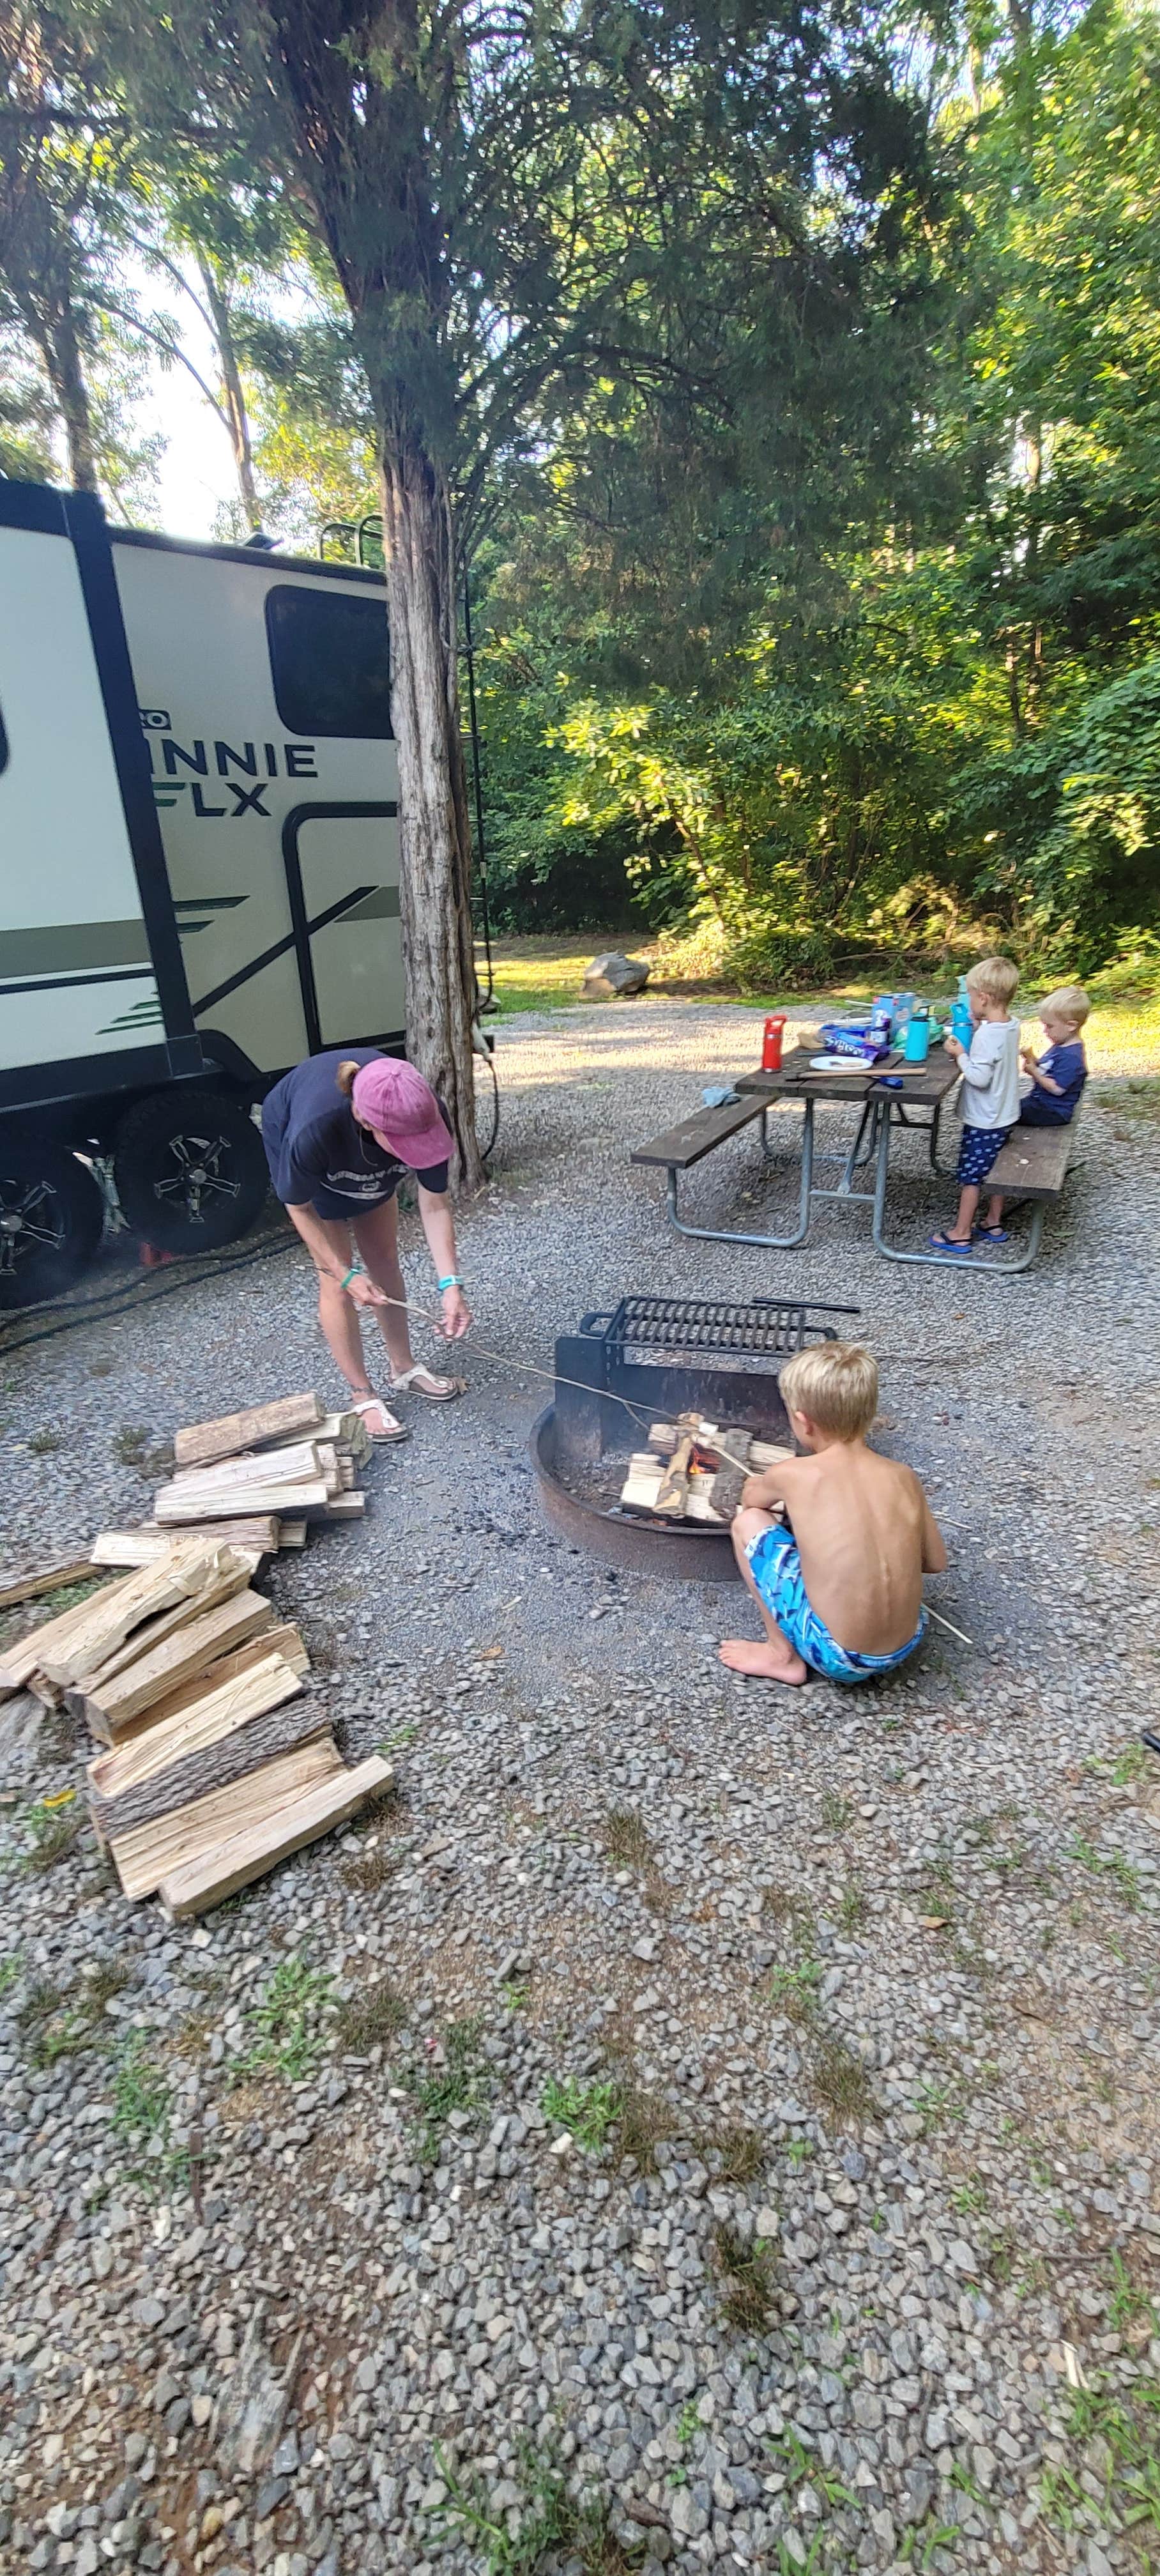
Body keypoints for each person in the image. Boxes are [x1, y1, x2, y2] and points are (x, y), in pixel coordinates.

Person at [261, 1049, 472, 1442]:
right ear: (364, 1119)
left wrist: (451, 1285)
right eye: (407, 1146)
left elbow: (435, 1203)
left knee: (384, 1257)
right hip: (315, 1157)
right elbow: (299, 1208)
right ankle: (362, 1393)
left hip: (362, 1149)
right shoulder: (314, 1129)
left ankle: (403, 1368)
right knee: (337, 1278)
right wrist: (345, 1274)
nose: (417, 1155)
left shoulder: (422, 1111)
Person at [719, 1342, 946, 1687]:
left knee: (747, 1524)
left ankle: (782, 1656)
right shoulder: (904, 1477)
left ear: (803, 1423)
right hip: (905, 1644)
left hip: (838, 1657)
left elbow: (753, 1499)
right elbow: (934, 1563)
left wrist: (771, 1488)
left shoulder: (794, 1473)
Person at [976, 984, 1089, 1245]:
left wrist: (1034, 1073)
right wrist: (1035, 1062)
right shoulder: (1062, 1046)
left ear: (1071, 1025)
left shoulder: (1072, 1055)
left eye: (1050, 1026)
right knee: (1007, 1111)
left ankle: (988, 1171)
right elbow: (1049, 1071)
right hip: (1044, 1105)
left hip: (1053, 1111)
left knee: (1003, 1116)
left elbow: (1058, 1088)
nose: (1045, 1031)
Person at [928, 955, 1021, 1255]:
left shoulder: (985, 1037)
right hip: (1005, 1113)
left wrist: (960, 1054)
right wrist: (980, 1022)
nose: (967, 999)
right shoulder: (1011, 1025)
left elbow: (979, 1077)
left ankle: (961, 1232)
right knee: (994, 1168)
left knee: (972, 1176)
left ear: (983, 998)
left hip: (985, 1118)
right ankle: (993, 1222)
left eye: (969, 994)